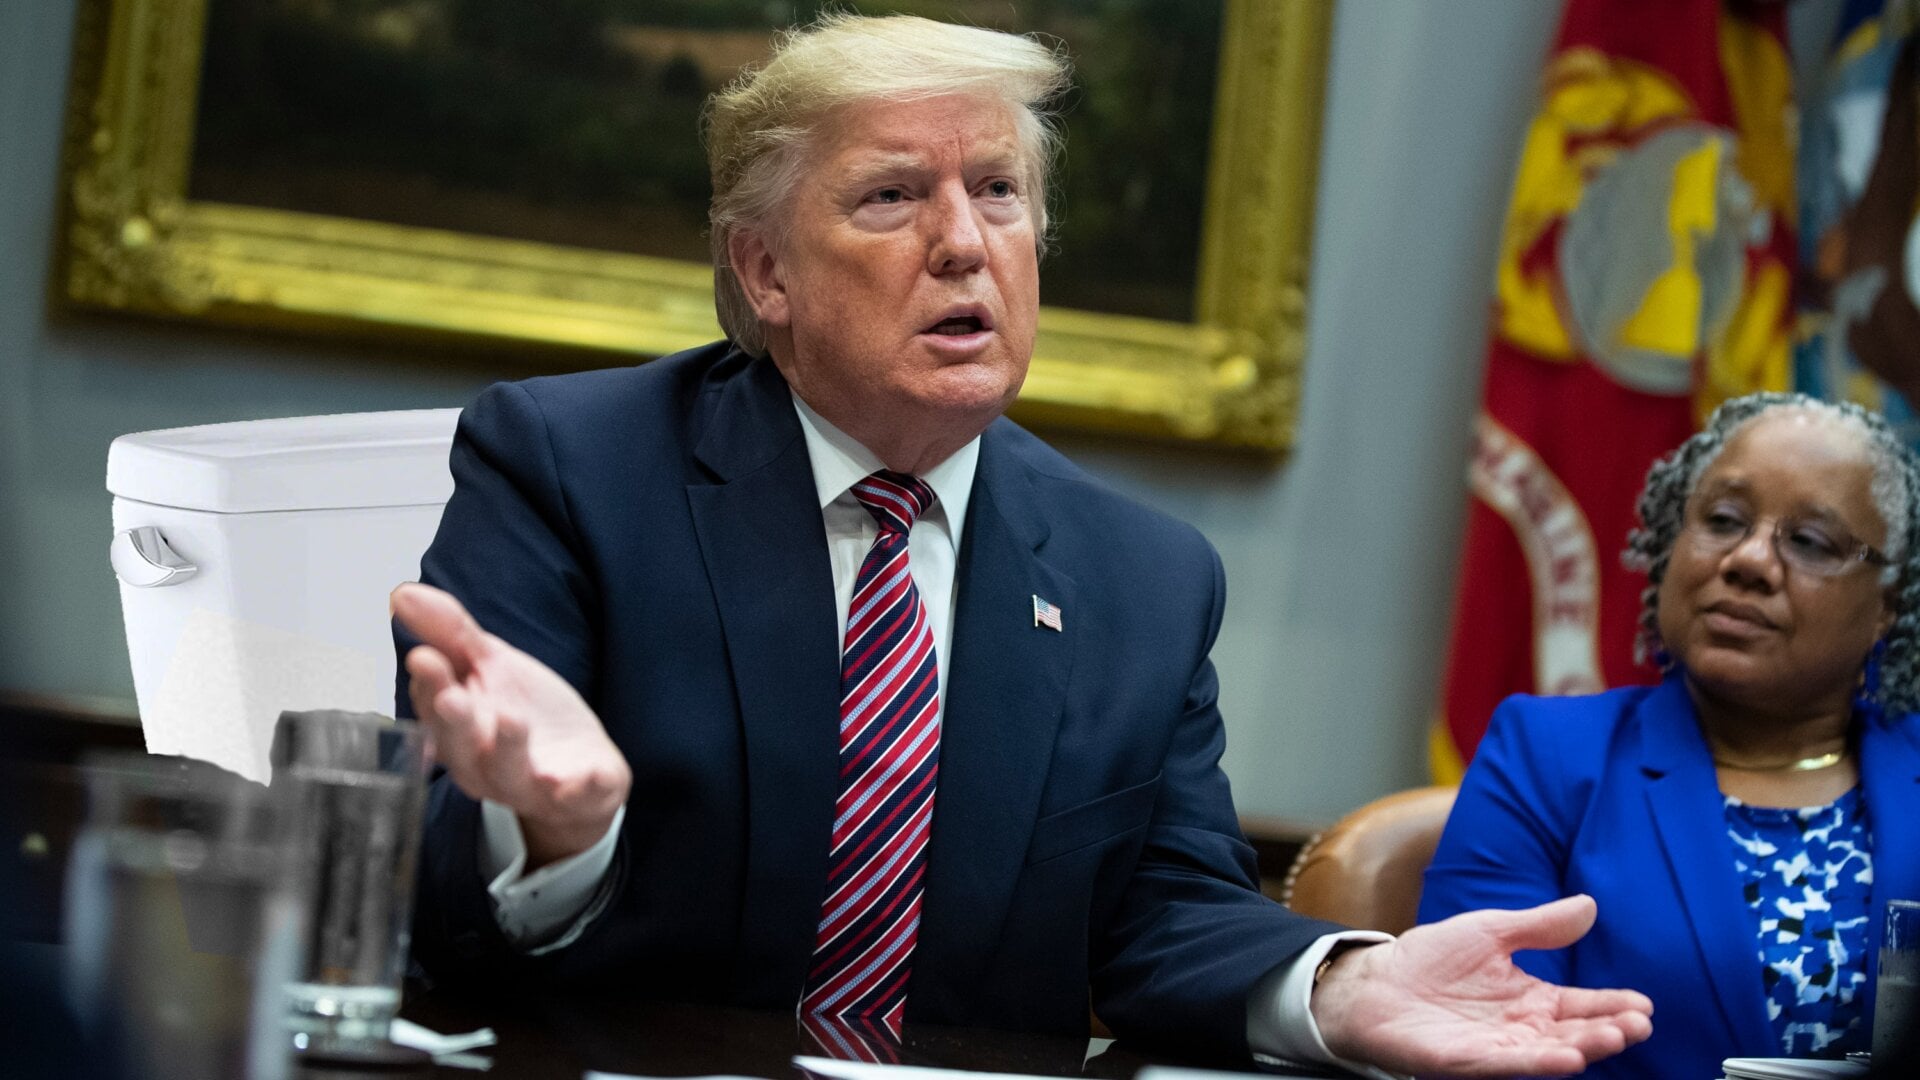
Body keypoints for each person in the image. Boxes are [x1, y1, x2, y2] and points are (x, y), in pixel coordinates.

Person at [391, 14, 1651, 1076]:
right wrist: (553, 834)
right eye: (893, 195)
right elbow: (437, 902)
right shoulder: (572, 468)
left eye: (997, 191)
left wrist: (1336, 987)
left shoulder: (1141, 576)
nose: (963, 240)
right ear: (765, 270)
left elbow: (1164, 917)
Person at [1419, 391, 1920, 1080]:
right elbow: (1488, 1045)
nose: (1749, 560)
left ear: (1886, 605)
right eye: (1722, 520)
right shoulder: (1546, 757)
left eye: (1808, 542)